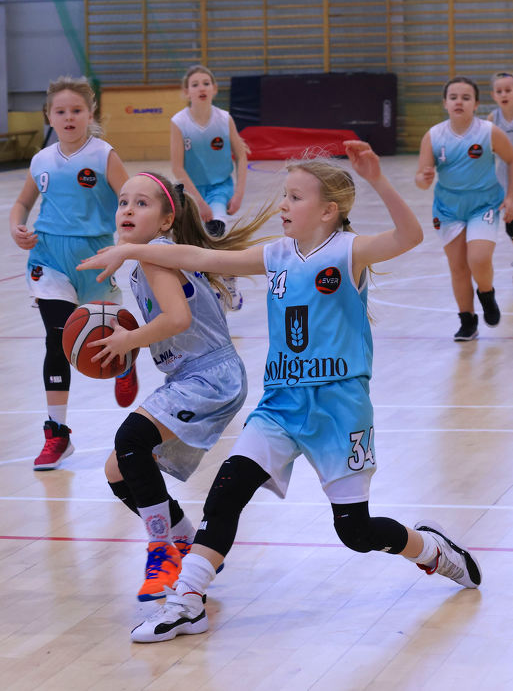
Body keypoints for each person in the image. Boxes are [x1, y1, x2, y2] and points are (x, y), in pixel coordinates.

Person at [79, 141, 482, 646]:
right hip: (281, 404)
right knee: (226, 493)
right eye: (285, 196)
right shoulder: (277, 255)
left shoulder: (348, 252)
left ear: (327, 211)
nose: (283, 206)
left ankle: (432, 551)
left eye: (294, 197)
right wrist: (130, 250)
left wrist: (378, 179)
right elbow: (198, 254)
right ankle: (186, 602)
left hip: (339, 409)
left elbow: (410, 235)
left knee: (356, 532)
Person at [79, 171, 272, 603]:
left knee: (131, 440)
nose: (128, 209)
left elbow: (178, 319)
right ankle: (184, 539)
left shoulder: (156, 257)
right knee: (117, 469)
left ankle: (161, 551)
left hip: (210, 376)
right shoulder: (147, 260)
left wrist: (130, 340)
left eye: (141, 203)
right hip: (192, 375)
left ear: (166, 221)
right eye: (123, 201)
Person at [9, 75, 138, 471]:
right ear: (49, 115)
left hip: (95, 255)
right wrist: (16, 227)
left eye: (76, 110)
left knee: (109, 335)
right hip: (49, 257)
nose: (69, 117)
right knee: (57, 339)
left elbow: (131, 202)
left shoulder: (103, 155)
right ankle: (57, 433)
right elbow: (23, 203)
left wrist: (122, 247)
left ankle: (126, 362)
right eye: (61, 111)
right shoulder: (41, 160)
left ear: (90, 113)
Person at [415, 76, 513, 341]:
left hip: (483, 205)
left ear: (476, 104)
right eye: (454, 97)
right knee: (458, 267)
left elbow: (511, 159)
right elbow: (421, 179)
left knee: (478, 258)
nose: (459, 101)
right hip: (448, 209)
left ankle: (487, 293)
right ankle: (467, 321)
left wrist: (511, 196)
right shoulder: (433, 136)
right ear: (445, 103)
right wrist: (423, 178)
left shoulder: (489, 131)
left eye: (466, 98)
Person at [170, 64, 248, 310]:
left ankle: (228, 282)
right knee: (191, 242)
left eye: (206, 83)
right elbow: (177, 167)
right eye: (195, 84)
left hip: (220, 187)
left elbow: (241, 156)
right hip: (191, 191)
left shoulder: (224, 119)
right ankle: (202, 287)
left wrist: (239, 193)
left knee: (217, 230)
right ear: (187, 92)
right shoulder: (179, 122)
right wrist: (199, 202)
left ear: (214, 88)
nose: (201, 88)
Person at [488, 71, 513, 246]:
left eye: (508, 90)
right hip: (505, 178)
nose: (504, 94)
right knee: (510, 224)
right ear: (493, 95)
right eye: (499, 91)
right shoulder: (493, 118)